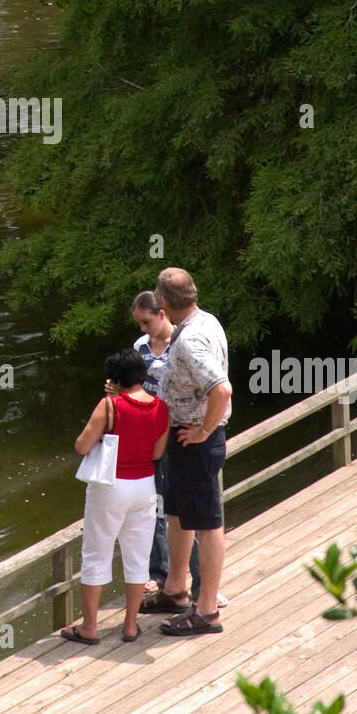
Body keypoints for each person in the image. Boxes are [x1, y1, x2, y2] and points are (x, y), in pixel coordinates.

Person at [143, 267, 232, 636]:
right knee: (178, 514)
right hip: (183, 439)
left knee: (208, 523)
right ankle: (175, 589)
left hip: (195, 441)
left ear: (163, 303)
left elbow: (222, 389)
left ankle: (207, 611)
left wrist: (203, 430)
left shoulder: (191, 338)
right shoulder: (206, 319)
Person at [62, 348, 169, 645]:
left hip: (110, 486)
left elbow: (82, 446)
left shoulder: (110, 405)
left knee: (96, 554)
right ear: (142, 374)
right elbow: (158, 453)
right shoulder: (162, 407)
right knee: (137, 558)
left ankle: (90, 627)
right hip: (144, 486)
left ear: (115, 379)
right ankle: (131, 625)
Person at [128, 292, 201, 603]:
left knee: (187, 510)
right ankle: (159, 574)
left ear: (162, 314)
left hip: (180, 433)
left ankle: (201, 582)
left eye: (146, 321)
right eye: (138, 323)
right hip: (150, 435)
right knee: (155, 506)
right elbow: (135, 389)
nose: (143, 328)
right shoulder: (139, 348)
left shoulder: (183, 345)